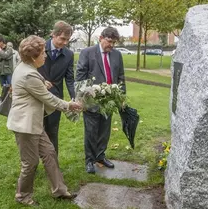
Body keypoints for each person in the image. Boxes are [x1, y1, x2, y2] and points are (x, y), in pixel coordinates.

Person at [7, 35, 81, 206]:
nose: (46, 56)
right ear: (34, 57)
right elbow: (50, 99)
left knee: (49, 153)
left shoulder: (27, 68)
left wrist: (43, 82)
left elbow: (35, 83)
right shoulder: (28, 75)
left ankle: (59, 190)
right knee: (30, 163)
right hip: (25, 126)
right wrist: (70, 105)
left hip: (34, 123)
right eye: (43, 53)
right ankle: (23, 196)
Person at [76, 27, 126, 174]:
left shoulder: (117, 55)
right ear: (100, 38)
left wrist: (121, 98)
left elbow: (121, 77)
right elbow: (80, 76)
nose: (111, 45)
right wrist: (82, 99)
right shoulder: (87, 53)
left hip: (109, 101)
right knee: (91, 131)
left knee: (104, 131)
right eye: (109, 41)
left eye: (114, 42)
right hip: (91, 100)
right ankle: (89, 161)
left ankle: (100, 156)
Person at [37, 21, 75, 155]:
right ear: (53, 34)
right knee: (35, 132)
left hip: (56, 99)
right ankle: (33, 163)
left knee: (53, 131)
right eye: (62, 39)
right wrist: (40, 81)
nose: (65, 43)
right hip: (36, 97)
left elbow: (69, 78)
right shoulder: (39, 47)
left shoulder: (69, 55)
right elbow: (27, 69)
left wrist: (74, 97)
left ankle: (53, 164)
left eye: (68, 40)